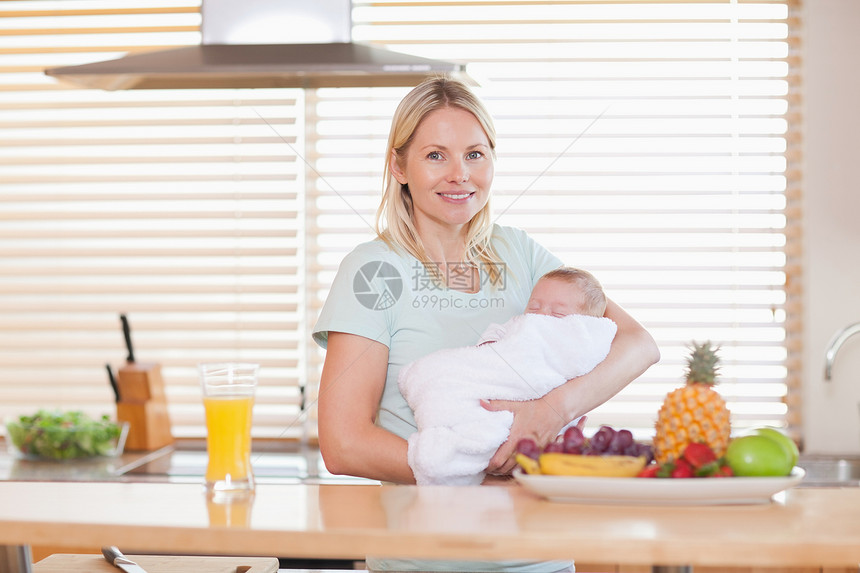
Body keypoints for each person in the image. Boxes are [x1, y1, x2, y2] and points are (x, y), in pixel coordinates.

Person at [312, 76, 659, 572]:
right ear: (398, 166)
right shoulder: (373, 272)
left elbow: (638, 344)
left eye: (475, 154)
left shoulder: (521, 253)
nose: (460, 175)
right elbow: (344, 443)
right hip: (423, 562)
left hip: (540, 559)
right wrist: (476, 465)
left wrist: (547, 414)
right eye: (436, 155)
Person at [400, 267, 618, 485]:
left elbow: (587, 374)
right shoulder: (513, 327)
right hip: (498, 400)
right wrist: (493, 351)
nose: (540, 316)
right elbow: (484, 357)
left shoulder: (582, 346)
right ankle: (455, 447)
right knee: (439, 377)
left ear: (584, 326)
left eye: (557, 314)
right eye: (534, 307)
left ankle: (457, 455)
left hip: (546, 432)